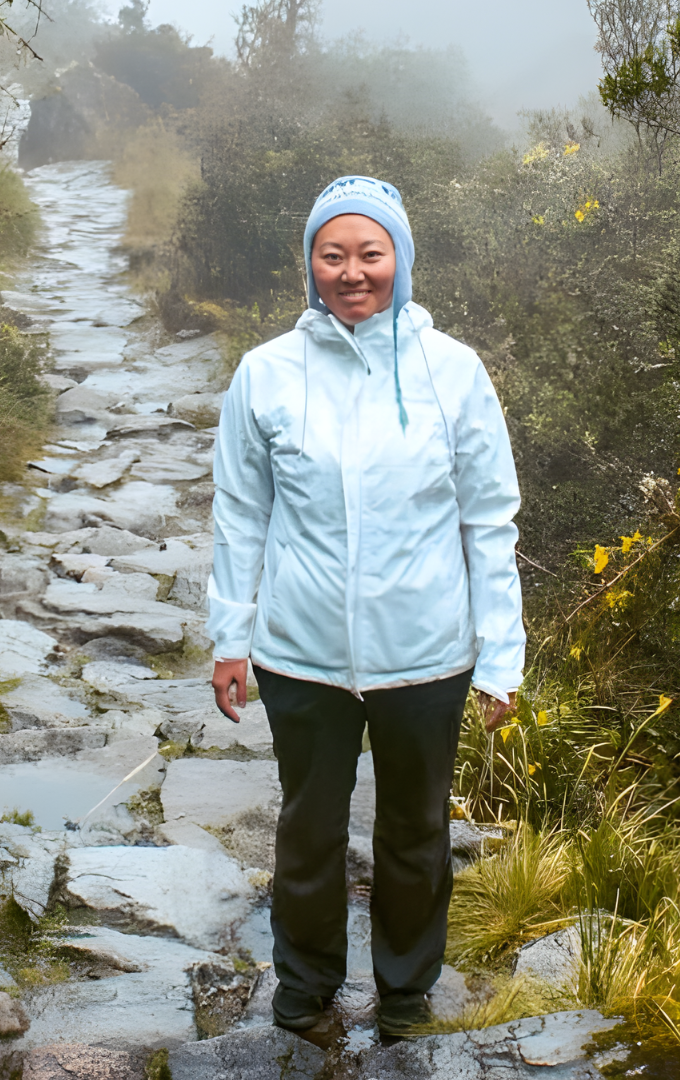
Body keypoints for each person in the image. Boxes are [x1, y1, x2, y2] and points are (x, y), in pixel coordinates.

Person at [205, 175, 524, 1036]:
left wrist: (501, 658)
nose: (353, 272)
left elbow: (488, 519)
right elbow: (241, 513)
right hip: (300, 653)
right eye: (333, 254)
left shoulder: (451, 372)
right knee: (308, 832)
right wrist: (229, 638)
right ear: (310, 264)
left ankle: (406, 997)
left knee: (416, 832)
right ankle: (304, 994)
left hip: (426, 653)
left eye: (370, 253)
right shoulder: (266, 373)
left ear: (401, 259)